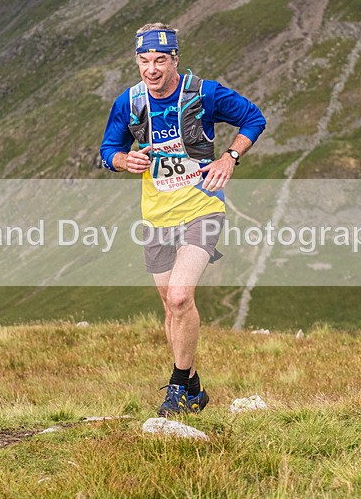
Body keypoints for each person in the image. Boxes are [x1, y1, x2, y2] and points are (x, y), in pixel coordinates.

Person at [99, 23, 266, 416]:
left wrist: (230, 156)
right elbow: (108, 149)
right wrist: (124, 160)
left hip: (202, 207)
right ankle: (193, 387)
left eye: (160, 60)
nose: (151, 69)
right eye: (143, 60)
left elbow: (254, 118)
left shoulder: (204, 93)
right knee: (169, 305)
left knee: (179, 295)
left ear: (175, 59)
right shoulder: (130, 101)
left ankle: (177, 388)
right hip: (156, 215)